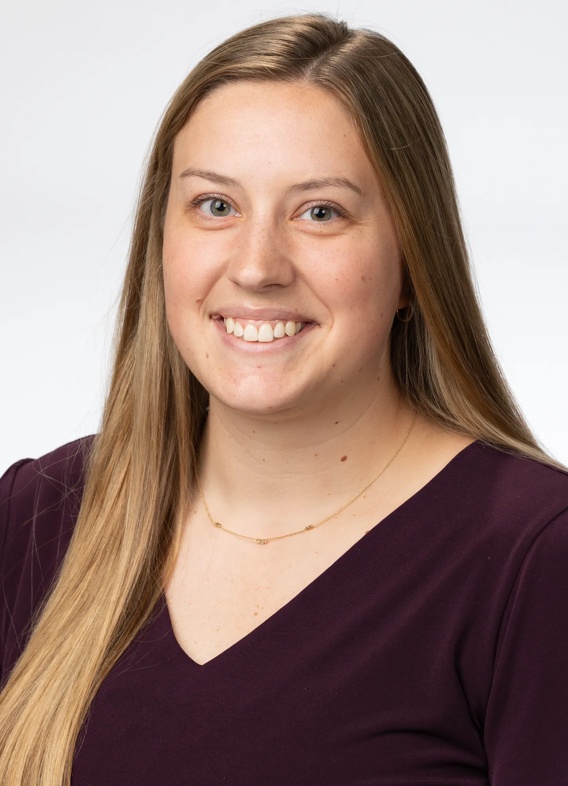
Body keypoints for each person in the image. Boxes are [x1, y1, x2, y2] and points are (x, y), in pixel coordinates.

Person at [0, 12, 567, 786]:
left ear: (412, 258)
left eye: (321, 212)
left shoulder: (534, 561)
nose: (258, 266)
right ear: (159, 241)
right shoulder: (39, 517)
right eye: (216, 206)